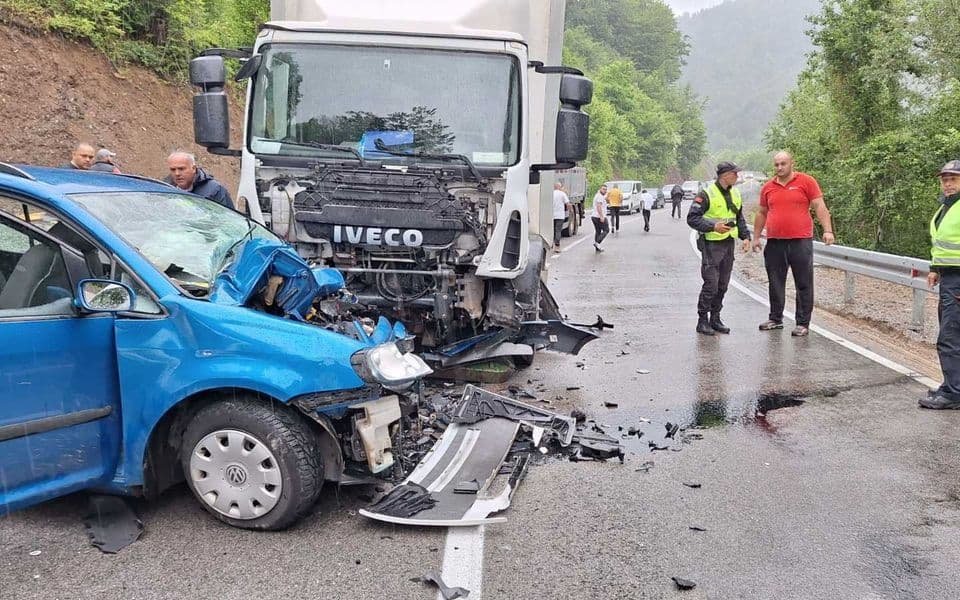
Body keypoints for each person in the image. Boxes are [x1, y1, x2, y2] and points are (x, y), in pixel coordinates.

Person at [752, 151, 834, 337]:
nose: (780, 168)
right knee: (775, 281)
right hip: (775, 242)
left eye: (783, 164)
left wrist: (828, 230)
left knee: (803, 283)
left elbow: (819, 206)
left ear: (791, 164)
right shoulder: (768, 187)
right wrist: (757, 237)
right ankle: (775, 318)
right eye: (776, 165)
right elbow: (762, 213)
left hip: (800, 241)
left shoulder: (806, 182)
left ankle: (802, 323)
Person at [687, 161, 752, 336]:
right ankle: (703, 320)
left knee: (723, 285)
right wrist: (713, 226)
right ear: (725, 175)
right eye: (735, 173)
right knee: (711, 285)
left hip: (728, 244)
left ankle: (715, 318)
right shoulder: (707, 194)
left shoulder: (736, 193)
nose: (737, 177)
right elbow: (692, 218)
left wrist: (746, 236)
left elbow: (739, 218)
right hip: (711, 245)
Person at [921, 160, 960, 409]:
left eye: (953, 179)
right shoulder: (946, 207)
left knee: (950, 337)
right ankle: (951, 384)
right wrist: (935, 269)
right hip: (948, 279)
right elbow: (943, 244)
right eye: (944, 179)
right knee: (952, 334)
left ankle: (954, 393)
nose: (947, 184)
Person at [164, 150, 233, 209]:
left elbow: (228, 219)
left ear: (193, 168)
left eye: (181, 169)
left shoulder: (214, 190)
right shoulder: (164, 188)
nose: (177, 173)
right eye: (173, 170)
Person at [552, 182, 571, 253]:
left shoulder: (551, 194)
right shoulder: (562, 194)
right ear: (559, 187)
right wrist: (570, 210)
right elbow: (567, 203)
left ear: (554, 187)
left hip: (552, 215)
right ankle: (557, 246)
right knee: (558, 230)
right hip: (560, 215)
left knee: (553, 230)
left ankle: (552, 244)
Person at [591, 184, 609, 252]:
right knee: (606, 230)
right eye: (603, 189)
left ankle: (597, 247)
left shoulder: (598, 195)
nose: (605, 190)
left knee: (598, 231)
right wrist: (601, 216)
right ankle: (597, 243)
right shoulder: (600, 196)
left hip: (594, 216)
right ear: (600, 189)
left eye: (606, 189)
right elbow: (599, 206)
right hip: (599, 216)